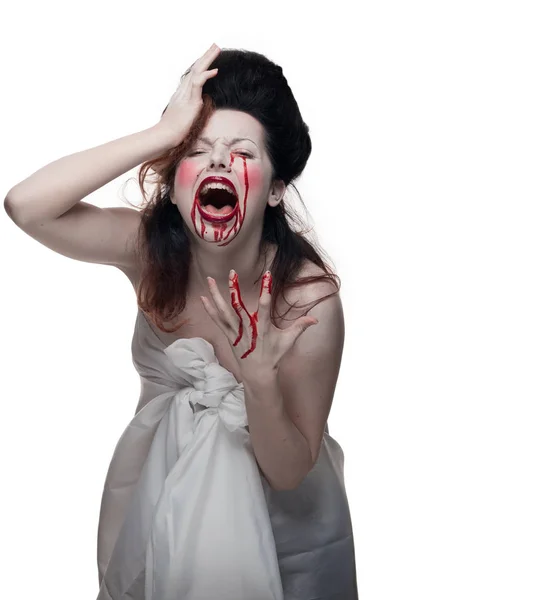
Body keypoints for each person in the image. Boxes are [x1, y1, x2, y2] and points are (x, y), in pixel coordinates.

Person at [4, 43, 359, 600]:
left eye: (241, 151)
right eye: (197, 150)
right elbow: (27, 205)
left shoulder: (306, 301)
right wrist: (161, 134)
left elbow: (290, 470)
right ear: (177, 177)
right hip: (158, 503)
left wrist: (260, 380)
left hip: (284, 535)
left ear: (276, 189)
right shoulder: (146, 249)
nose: (218, 161)